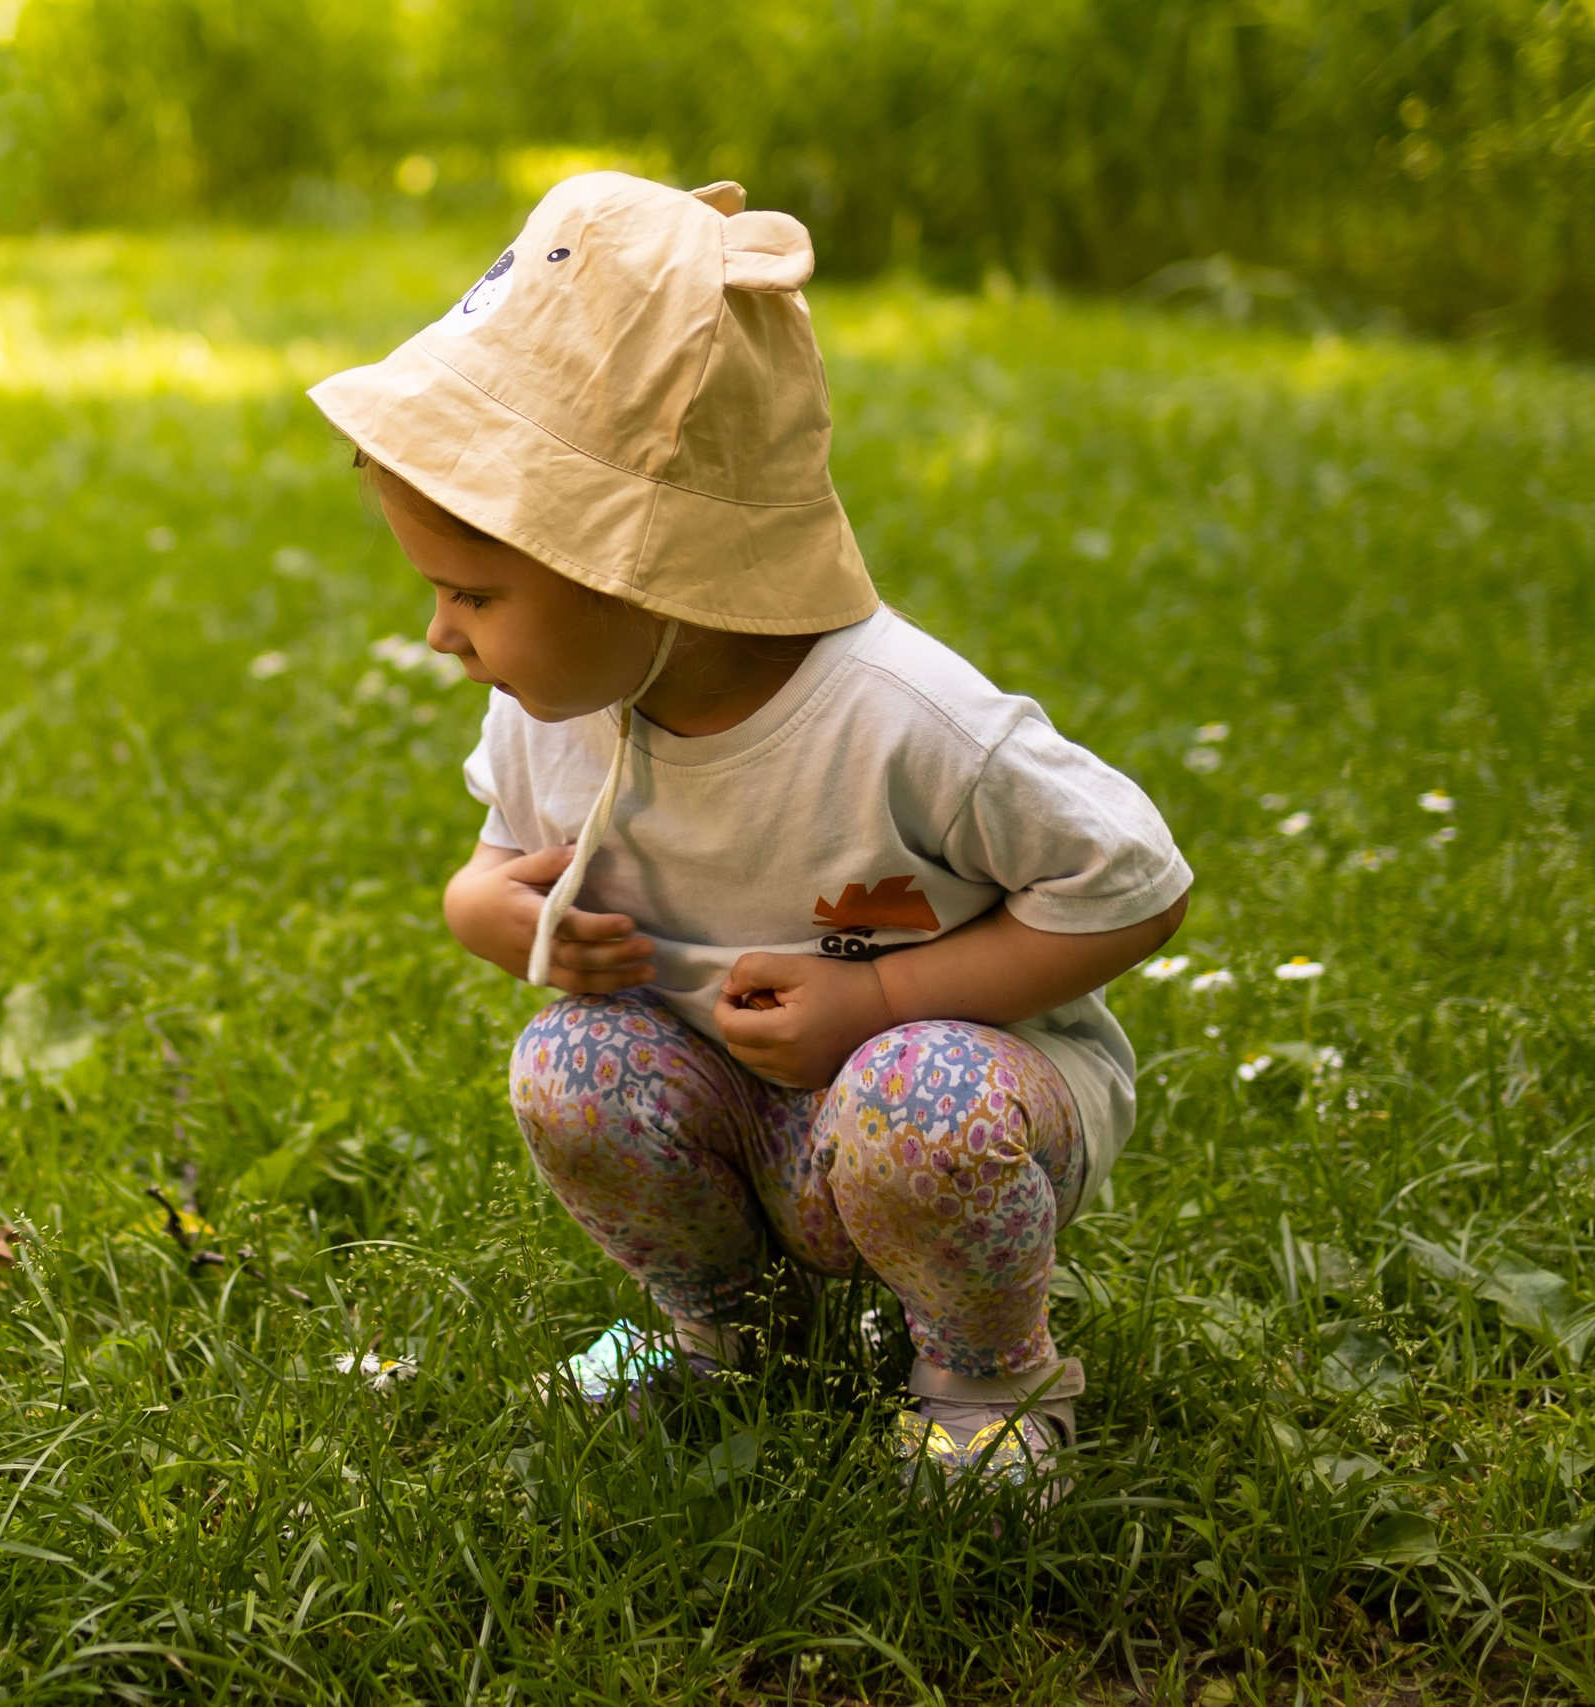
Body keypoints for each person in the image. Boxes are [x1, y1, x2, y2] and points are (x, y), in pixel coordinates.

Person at [307, 174, 1191, 1491]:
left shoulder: (903, 717)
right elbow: (491, 872)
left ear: (647, 567)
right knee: (572, 1064)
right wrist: (493, 916)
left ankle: (986, 1373)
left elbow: (1135, 886)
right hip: (732, 1100)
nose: (441, 633)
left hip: (951, 1102)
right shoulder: (559, 703)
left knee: (916, 1099)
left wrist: (882, 994)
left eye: (471, 593)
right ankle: (726, 1331)